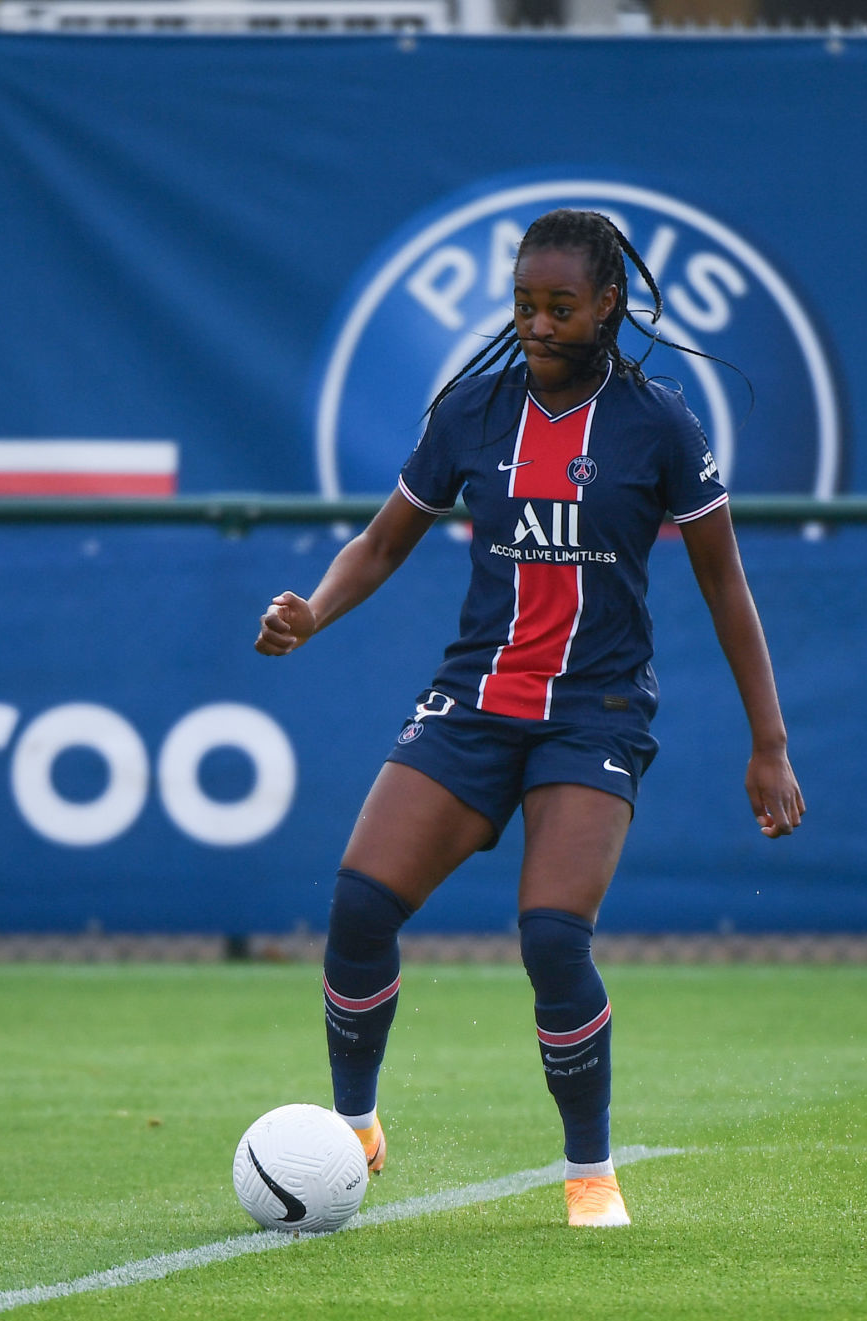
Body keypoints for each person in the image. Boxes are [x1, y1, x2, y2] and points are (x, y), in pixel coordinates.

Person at [255, 209, 803, 1226]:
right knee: (361, 905)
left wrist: (767, 742)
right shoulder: (471, 409)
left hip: (594, 714)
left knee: (552, 935)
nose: (539, 324)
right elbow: (379, 545)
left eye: (560, 306)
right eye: (523, 305)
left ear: (610, 306)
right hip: (476, 698)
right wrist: (312, 611)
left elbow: (728, 585)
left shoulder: (660, 425)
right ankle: (354, 1132)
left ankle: (589, 1171)